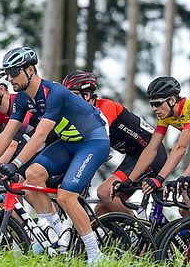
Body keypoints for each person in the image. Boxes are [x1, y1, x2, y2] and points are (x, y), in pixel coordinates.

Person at [0, 47, 112, 264]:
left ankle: (95, 256)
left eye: (14, 72)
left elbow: (41, 135)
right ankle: (58, 234)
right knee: (33, 174)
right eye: (7, 74)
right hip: (70, 142)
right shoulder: (22, 99)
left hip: (93, 141)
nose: (9, 78)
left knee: (65, 196)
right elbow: (6, 135)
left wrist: (15, 163)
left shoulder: (54, 92)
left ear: (30, 70)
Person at [62, 70, 166, 215]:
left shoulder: (105, 107)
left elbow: (91, 143)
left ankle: (138, 230)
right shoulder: (80, 115)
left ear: (86, 95)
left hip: (151, 155)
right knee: (101, 211)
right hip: (133, 156)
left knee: (104, 192)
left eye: (72, 96)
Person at [135, 76, 190, 194]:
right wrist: (130, 180)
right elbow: (151, 149)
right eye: (151, 104)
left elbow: (180, 148)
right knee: (185, 203)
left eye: (157, 103)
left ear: (171, 100)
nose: (154, 109)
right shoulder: (166, 117)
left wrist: (159, 179)